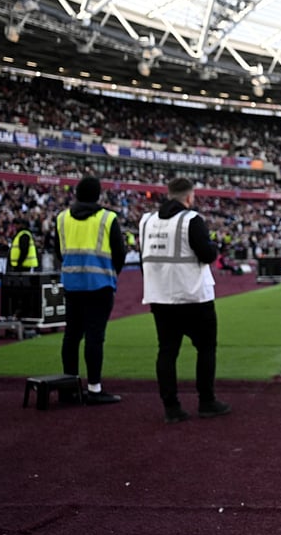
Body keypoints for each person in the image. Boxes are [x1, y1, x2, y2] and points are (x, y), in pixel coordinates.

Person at [139, 177, 231, 424]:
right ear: (189, 197)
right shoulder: (192, 220)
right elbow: (208, 254)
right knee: (205, 348)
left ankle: (171, 407)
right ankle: (207, 401)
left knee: (167, 351)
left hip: (159, 296)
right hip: (193, 296)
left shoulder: (146, 221)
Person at [56, 175, 126, 405]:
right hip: (100, 286)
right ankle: (94, 389)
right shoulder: (107, 218)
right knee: (95, 337)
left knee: (71, 336)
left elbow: (59, 252)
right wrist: (111, 272)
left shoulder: (62, 218)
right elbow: (119, 253)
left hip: (72, 284)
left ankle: (69, 388)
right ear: (98, 195)